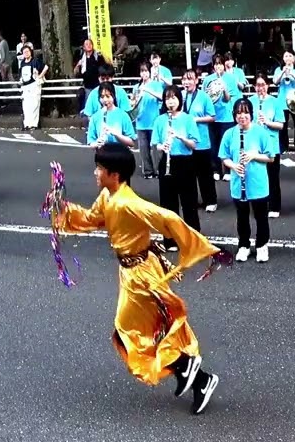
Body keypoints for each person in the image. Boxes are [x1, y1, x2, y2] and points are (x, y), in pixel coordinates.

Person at [53, 143, 223, 412]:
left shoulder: (128, 203)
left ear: (114, 174)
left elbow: (167, 217)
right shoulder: (108, 196)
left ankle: (186, 366)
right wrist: (62, 208)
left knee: (128, 330)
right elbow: (91, 218)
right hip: (131, 273)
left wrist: (207, 248)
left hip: (142, 275)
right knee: (153, 329)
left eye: (100, 168)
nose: (95, 173)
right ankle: (199, 378)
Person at [218, 99, 279, 263]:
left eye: (245, 112)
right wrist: (234, 166)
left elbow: (271, 157)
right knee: (242, 217)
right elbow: (224, 157)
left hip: (258, 183)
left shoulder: (260, 132)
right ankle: (243, 245)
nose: (242, 116)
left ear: (251, 114)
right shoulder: (229, 133)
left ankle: (262, 245)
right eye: (238, 113)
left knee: (261, 216)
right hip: (238, 183)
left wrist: (254, 155)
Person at [152, 85, 200, 235]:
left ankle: (192, 237)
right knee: (168, 204)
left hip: (185, 163)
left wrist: (180, 137)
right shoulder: (160, 120)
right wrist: (163, 146)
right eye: (167, 99)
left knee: (189, 203)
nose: (170, 102)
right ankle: (170, 239)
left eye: (173, 98)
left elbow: (194, 145)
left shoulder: (188, 119)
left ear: (179, 99)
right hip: (167, 162)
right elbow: (156, 144)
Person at [180, 69, 218, 214]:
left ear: (196, 81)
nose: (187, 82)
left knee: (205, 174)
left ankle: (211, 200)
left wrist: (195, 120)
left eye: (190, 79)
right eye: (184, 79)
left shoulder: (203, 97)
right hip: (185, 143)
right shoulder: (180, 95)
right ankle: (192, 201)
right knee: (188, 175)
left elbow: (212, 117)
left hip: (201, 142)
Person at [248, 74, 286, 218]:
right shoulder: (250, 101)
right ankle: (259, 205)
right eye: (258, 85)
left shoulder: (275, 102)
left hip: (271, 144)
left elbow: (280, 125)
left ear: (268, 86)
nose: (260, 88)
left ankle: (274, 206)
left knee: (272, 177)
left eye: (263, 85)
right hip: (254, 144)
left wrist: (267, 122)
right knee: (256, 176)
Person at [202, 56, 240, 180]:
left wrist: (224, 88)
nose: (218, 66)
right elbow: (205, 97)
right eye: (216, 64)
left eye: (220, 64)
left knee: (227, 144)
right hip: (212, 116)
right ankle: (216, 169)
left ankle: (228, 171)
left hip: (226, 117)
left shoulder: (231, 78)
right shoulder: (208, 79)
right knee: (214, 145)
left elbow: (228, 99)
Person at [132, 63, 166, 179]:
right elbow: (133, 103)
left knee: (156, 147)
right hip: (140, 121)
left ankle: (158, 170)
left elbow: (162, 97)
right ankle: (148, 171)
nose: (144, 74)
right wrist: (135, 101)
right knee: (143, 148)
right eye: (142, 71)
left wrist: (148, 90)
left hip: (153, 121)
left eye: (146, 71)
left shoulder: (156, 85)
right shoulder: (137, 87)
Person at [272, 50, 295, 155]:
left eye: (290, 56)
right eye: (286, 56)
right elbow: (275, 82)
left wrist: (292, 73)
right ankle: (283, 146)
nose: (288, 58)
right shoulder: (278, 69)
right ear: (283, 58)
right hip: (282, 101)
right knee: (283, 124)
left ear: (294, 58)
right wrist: (283, 72)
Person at [86, 82, 136, 148]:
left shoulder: (123, 115)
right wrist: (96, 143)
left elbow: (132, 142)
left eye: (108, 96)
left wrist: (116, 134)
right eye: (102, 97)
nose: (105, 100)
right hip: (102, 152)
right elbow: (91, 142)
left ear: (113, 96)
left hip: (120, 152)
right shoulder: (95, 117)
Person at [18, 44, 47, 131]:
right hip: (25, 86)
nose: (26, 53)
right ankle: (27, 124)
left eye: (27, 51)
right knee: (26, 106)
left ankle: (34, 124)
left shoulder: (35, 61)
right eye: (24, 52)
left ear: (30, 52)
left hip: (34, 85)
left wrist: (40, 76)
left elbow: (45, 67)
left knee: (34, 105)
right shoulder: (22, 63)